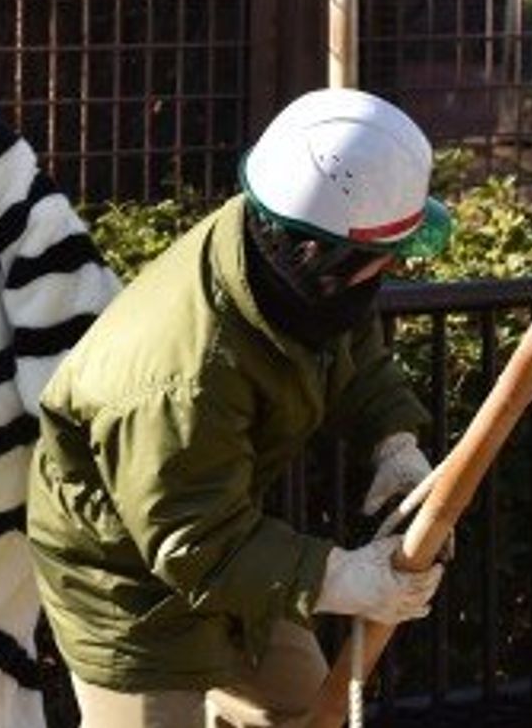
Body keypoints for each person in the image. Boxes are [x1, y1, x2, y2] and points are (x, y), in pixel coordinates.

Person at [26, 87, 454, 727]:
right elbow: (194, 542)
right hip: (125, 588)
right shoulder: (181, 374)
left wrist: (394, 442)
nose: (394, 264)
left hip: (228, 550)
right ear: (327, 255)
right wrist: (338, 577)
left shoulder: (290, 267)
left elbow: (352, 349)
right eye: (386, 254)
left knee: (311, 715)